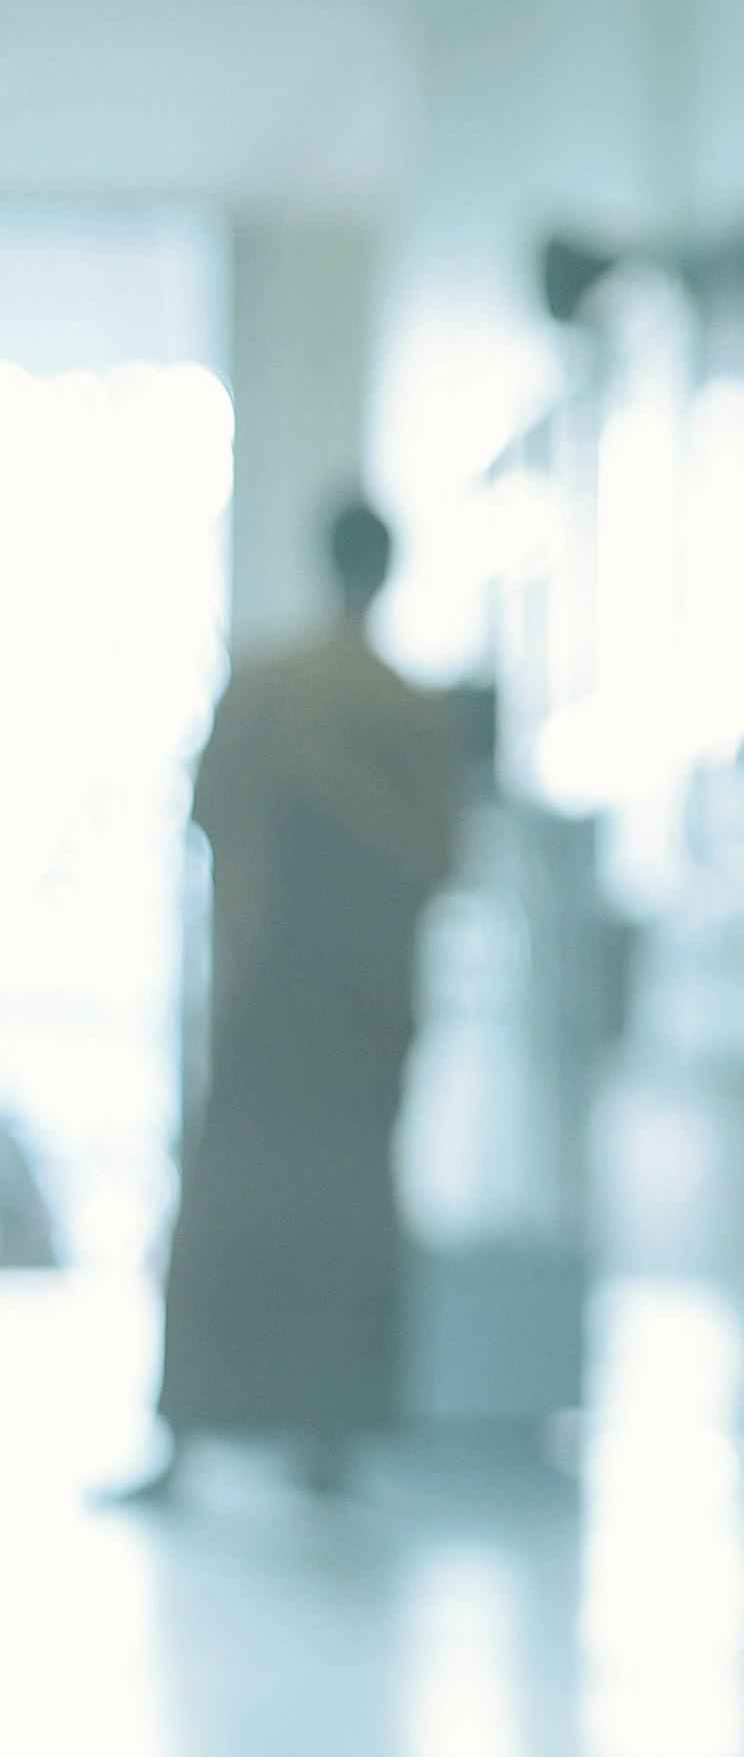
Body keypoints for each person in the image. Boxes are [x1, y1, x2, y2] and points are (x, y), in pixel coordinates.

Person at [117, 502, 465, 1502]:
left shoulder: (273, 688)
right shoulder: (410, 711)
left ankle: (190, 1440)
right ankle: (327, 1436)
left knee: (235, 1211)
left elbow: (209, 815)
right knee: (340, 1218)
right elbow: (438, 856)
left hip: (274, 1000)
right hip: (356, 1010)